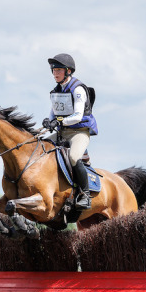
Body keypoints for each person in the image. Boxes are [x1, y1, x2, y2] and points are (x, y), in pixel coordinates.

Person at [42, 53, 98, 210]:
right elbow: (54, 112)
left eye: (58, 70)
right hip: (62, 133)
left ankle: (85, 195)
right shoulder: (56, 90)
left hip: (79, 132)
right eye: (54, 70)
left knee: (73, 157)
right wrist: (48, 121)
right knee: (41, 148)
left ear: (68, 71)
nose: (55, 74)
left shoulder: (78, 89)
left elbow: (78, 116)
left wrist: (60, 121)